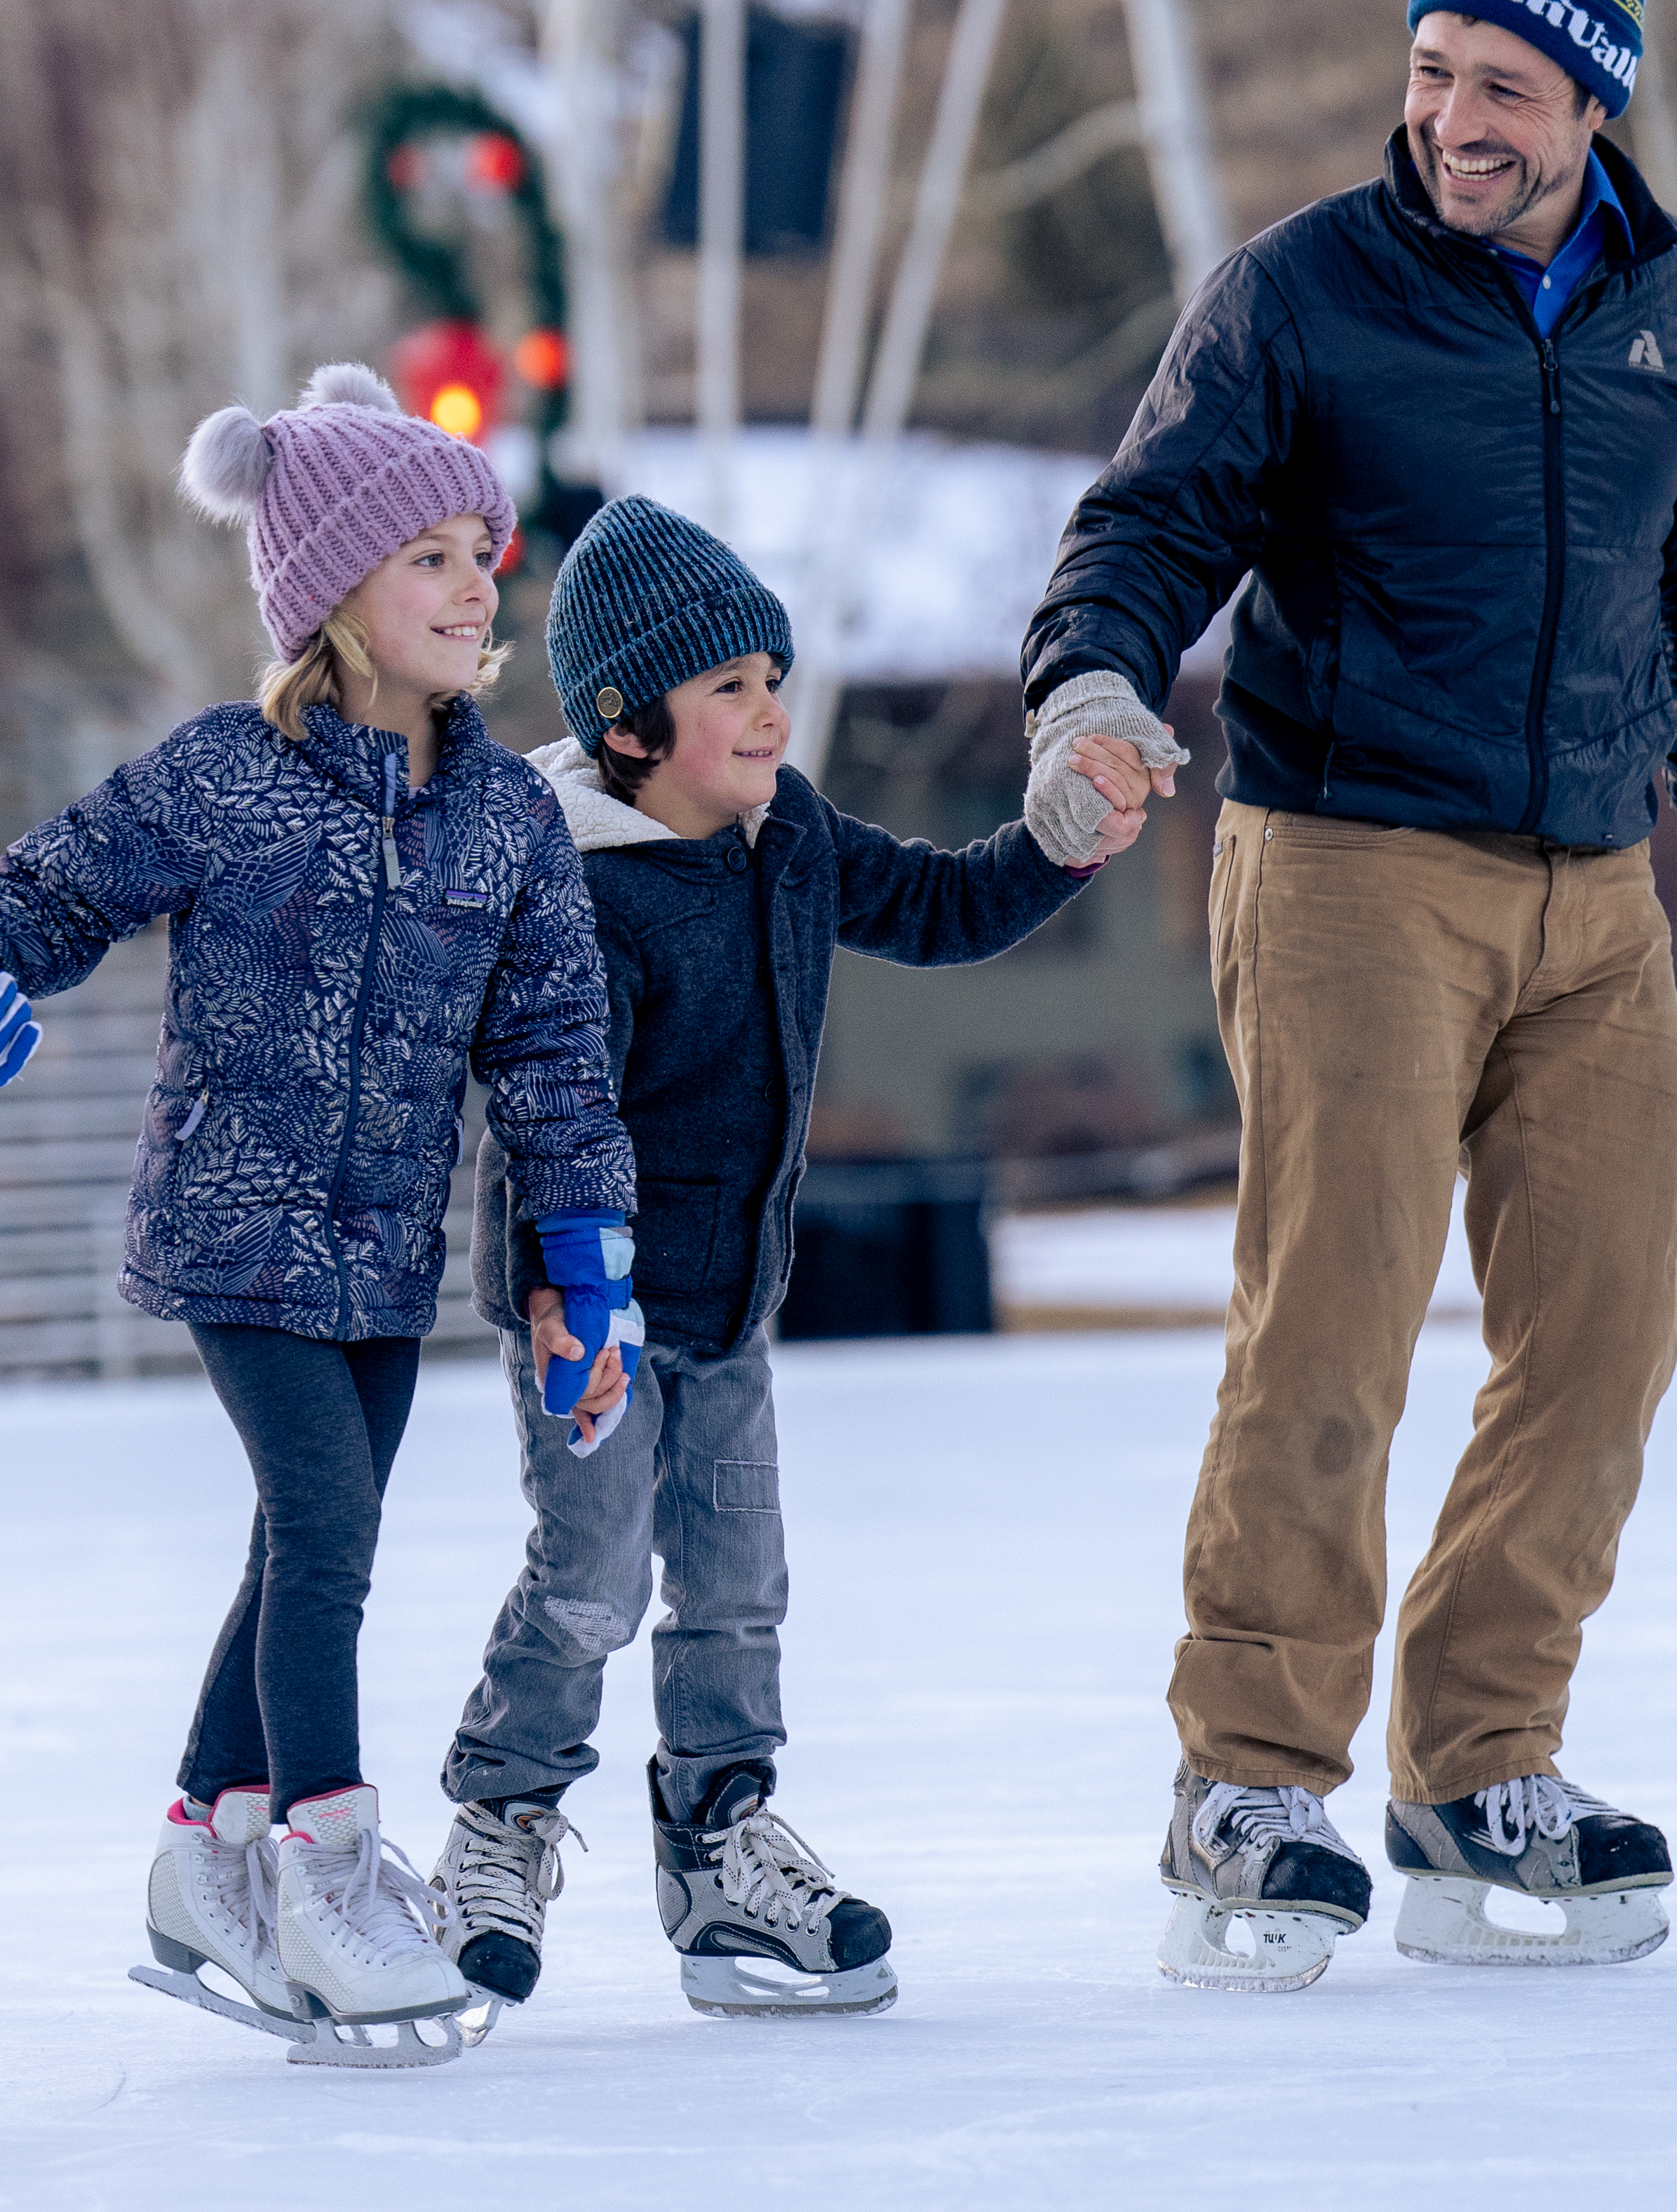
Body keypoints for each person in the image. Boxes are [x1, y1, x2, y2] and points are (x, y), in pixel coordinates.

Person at [1013, 0, 1677, 1993]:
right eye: (1434, 69)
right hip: (1349, 857)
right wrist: (1089, 686)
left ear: (1592, 109)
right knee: (1331, 1330)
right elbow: (1147, 522)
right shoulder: (1300, 292)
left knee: (1604, 1337)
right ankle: (1248, 1777)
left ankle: (1482, 1764)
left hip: (1594, 888)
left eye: (1504, 89)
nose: (1453, 119)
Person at [0, 366, 639, 2072]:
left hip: (384, 1250)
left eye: (480, 551)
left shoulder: (506, 821)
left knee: (292, 1552)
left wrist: (582, 1275)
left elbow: (553, 1056)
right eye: (426, 557)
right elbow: (53, 886)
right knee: (327, 1530)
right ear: (330, 596)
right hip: (237, 1229)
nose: (476, 585)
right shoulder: (221, 779)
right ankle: (325, 1866)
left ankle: (203, 1854)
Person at [425, 498, 1161, 2024]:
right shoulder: (574, 882)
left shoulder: (793, 838)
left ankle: (718, 1850)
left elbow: (947, 909)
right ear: (629, 727)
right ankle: (498, 1826)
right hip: (597, 1308)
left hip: (732, 1303)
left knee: (736, 1589)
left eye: (772, 672)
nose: (769, 708)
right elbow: (541, 1113)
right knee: (588, 1580)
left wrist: (1057, 841)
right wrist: (565, 1297)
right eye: (728, 689)